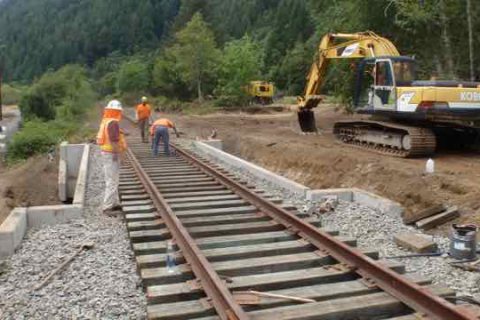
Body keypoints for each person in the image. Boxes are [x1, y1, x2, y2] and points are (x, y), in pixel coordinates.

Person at [96, 100, 127, 216]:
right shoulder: (113, 122)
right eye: (118, 111)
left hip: (106, 152)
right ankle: (107, 207)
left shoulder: (106, 121)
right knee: (112, 180)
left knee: (112, 179)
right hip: (111, 154)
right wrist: (117, 154)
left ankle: (114, 202)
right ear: (116, 111)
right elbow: (114, 140)